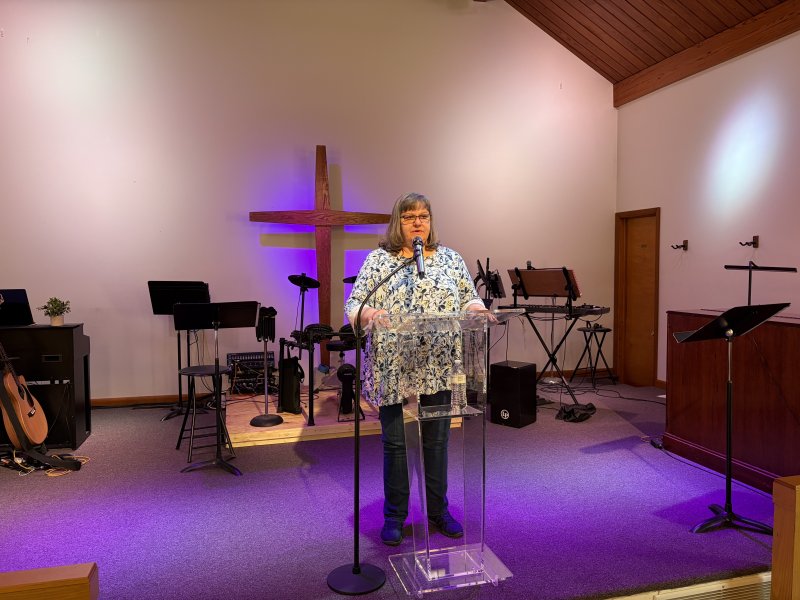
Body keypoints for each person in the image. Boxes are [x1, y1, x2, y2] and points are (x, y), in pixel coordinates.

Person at [344, 192, 486, 546]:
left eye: (423, 215)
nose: (418, 222)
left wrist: (477, 310)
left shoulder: (451, 259)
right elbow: (355, 305)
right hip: (393, 365)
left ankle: (438, 511)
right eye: (409, 217)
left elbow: (469, 296)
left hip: (438, 365)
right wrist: (371, 314)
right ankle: (395, 515)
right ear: (398, 222)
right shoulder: (380, 261)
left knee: (437, 442)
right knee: (395, 445)